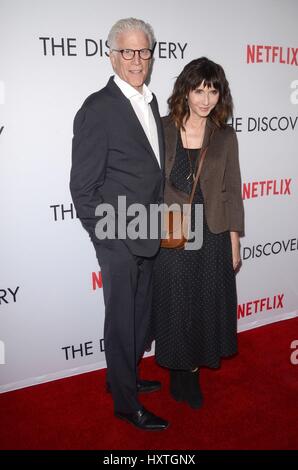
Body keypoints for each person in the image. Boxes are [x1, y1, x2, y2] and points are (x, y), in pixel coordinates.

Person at [70, 18, 168, 431]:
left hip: (150, 230)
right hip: (119, 238)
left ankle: (121, 377)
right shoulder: (97, 108)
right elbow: (82, 186)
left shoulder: (150, 100)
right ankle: (127, 405)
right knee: (122, 319)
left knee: (140, 317)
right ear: (112, 56)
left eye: (143, 51)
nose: (137, 59)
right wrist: (109, 239)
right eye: (127, 51)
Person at [151, 57, 244, 409]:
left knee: (205, 302)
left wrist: (234, 242)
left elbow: (233, 189)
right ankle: (179, 370)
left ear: (221, 95)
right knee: (175, 301)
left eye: (213, 90)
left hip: (213, 232)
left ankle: (193, 370)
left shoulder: (225, 135)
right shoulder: (162, 128)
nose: (205, 99)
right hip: (172, 228)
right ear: (185, 91)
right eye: (198, 90)